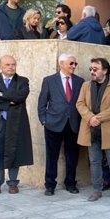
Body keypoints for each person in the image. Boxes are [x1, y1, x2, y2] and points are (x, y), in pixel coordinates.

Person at [76, 57, 110, 202]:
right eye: (91, 69)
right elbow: (80, 104)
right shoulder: (86, 86)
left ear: (105, 71)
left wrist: (97, 118)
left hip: (108, 130)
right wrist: (90, 118)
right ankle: (96, 190)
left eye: (95, 69)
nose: (92, 72)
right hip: (90, 129)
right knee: (94, 162)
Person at [0, 55, 33, 194]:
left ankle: (13, 183)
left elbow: (20, 97)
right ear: (0, 66)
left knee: (14, 151)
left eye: (13, 64)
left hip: (16, 122)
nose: (11, 67)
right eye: (7, 65)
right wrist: (9, 101)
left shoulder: (22, 81)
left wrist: (0, 95)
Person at [37, 53, 84, 196]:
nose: (74, 66)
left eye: (75, 64)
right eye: (71, 63)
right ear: (61, 64)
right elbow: (42, 103)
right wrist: (44, 120)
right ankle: (50, 184)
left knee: (72, 156)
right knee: (52, 156)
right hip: (53, 124)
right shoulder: (49, 80)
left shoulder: (80, 81)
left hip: (73, 124)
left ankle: (70, 183)